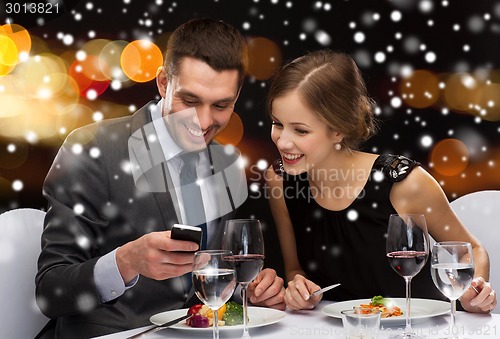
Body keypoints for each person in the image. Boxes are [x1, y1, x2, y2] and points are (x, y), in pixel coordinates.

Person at [36, 18, 285, 339]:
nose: (204, 121)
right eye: (190, 100)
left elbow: (208, 278)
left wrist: (249, 292)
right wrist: (125, 262)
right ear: (164, 83)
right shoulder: (92, 148)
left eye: (222, 105)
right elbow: (50, 291)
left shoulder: (226, 164)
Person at [264, 49, 496, 312]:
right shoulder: (280, 180)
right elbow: (296, 269)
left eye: (300, 130)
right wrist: (299, 287)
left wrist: (473, 294)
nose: (282, 141)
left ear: (338, 129)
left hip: (421, 328)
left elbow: (472, 250)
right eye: (277, 123)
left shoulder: (404, 183)